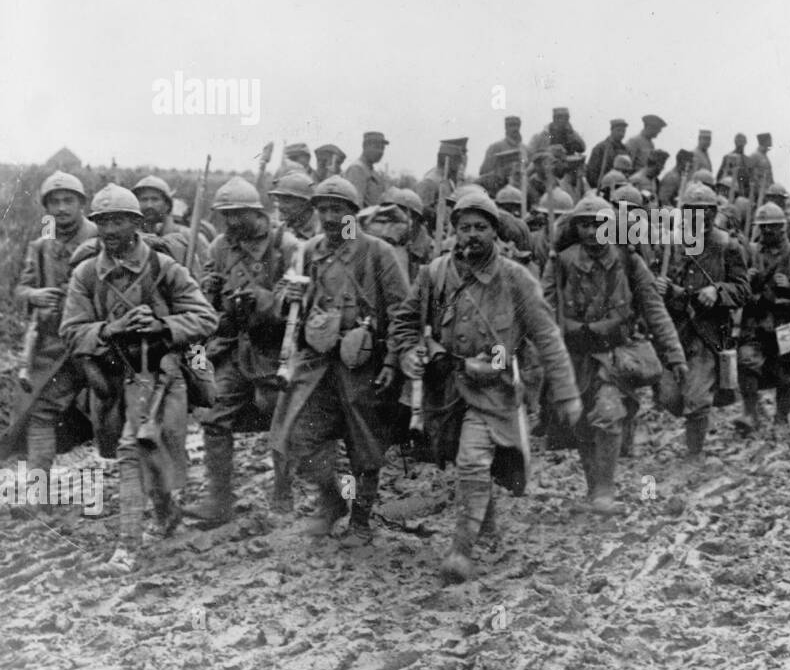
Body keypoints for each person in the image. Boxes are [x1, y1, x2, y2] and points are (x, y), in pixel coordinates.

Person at [389, 191, 581, 582]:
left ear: (496, 231)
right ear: (454, 231)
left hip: (493, 389)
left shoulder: (515, 279)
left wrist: (566, 392)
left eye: (480, 227)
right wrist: (409, 350)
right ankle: (486, 526)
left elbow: (547, 338)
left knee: (473, 459)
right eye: (464, 228)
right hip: (445, 390)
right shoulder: (435, 273)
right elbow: (405, 321)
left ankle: (461, 550)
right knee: (465, 460)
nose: (471, 235)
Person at [61, 184, 219, 572]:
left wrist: (162, 324)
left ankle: (126, 551)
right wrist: (110, 329)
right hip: (111, 379)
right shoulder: (86, 273)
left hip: (160, 376)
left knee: (135, 453)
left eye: (119, 221)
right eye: (103, 222)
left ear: (136, 223)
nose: (110, 229)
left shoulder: (164, 268)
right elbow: (70, 330)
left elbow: (205, 318)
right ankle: (166, 510)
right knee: (141, 455)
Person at [274, 177, 411, 547]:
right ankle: (332, 501)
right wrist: (288, 296)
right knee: (299, 437)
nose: (331, 217)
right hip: (317, 364)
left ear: (354, 214)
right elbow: (287, 310)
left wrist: (392, 361)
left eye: (339, 209)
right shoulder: (308, 251)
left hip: (362, 365)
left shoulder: (378, 253)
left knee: (363, 447)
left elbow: (403, 311)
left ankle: (361, 521)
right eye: (323, 209)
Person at [543, 195, 686, 511]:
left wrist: (674, 354)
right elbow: (543, 313)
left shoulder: (628, 260)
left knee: (608, 413)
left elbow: (654, 309)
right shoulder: (561, 262)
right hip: (576, 357)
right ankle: (594, 492)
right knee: (582, 425)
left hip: (616, 355)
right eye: (584, 224)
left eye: (600, 224)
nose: (592, 231)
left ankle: (605, 492)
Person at [189, 178, 301, 527]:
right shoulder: (220, 247)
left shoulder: (286, 245)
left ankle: (283, 494)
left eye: (239, 214)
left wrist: (262, 300)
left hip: (275, 348)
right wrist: (216, 298)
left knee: (278, 415)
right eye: (226, 215)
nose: (232, 222)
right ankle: (219, 499)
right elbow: (207, 300)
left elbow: (299, 302)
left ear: (257, 212)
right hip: (235, 346)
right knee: (214, 414)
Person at [1, 172, 98, 525]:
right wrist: (35, 295)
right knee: (39, 415)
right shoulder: (42, 244)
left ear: (82, 203)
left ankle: (102, 498)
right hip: (53, 345)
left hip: (95, 341)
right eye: (53, 202)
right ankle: (38, 497)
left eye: (67, 200)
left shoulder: (100, 237)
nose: (60, 208)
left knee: (104, 416)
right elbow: (22, 288)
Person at [653, 184, 751, 457]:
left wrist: (718, 291)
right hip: (677, 330)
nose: (697, 217)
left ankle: (694, 455)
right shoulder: (671, 243)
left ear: (713, 213)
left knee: (696, 400)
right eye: (691, 211)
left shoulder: (727, 245)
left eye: (704, 211)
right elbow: (654, 283)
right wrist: (659, 287)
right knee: (670, 398)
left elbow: (743, 289)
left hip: (708, 332)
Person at [736, 203, 790, 430]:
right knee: (745, 361)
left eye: (772, 227)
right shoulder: (751, 252)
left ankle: (782, 417)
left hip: (789, 322)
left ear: (783, 228)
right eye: (763, 228)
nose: (767, 233)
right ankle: (750, 414)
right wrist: (748, 279)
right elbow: (737, 285)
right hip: (758, 320)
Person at [132, 175, 209, 271]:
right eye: (143, 200)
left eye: (155, 199)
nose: (149, 205)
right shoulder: (130, 237)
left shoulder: (190, 237)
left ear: (167, 204)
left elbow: (206, 272)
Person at [478, 116, 527, 196]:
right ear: (506, 127)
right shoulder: (496, 147)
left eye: (517, 125)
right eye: (511, 125)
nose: (515, 128)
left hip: (521, 192)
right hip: (499, 192)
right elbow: (483, 172)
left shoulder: (525, 149)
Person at [343, 131, 390, 208]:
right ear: (365, 146)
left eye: (382, 148)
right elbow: (354, 205)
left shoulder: (374, 173)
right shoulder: (357, 169)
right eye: (377, 147)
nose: (380, 152)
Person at [269, 170, 318, 240]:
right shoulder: (282, 230)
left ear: (306, 203)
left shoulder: (323, 229)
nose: (280, 206)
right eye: (279, 200)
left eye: (286, 201)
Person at [586, 119, 630, 189]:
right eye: (618, 130)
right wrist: (599, 187)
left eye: (623, 131)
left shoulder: (625, 150)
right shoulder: (600, 148)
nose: (621, 134)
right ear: (612, 130)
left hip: (621, 189)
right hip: (604, 188)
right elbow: (592, 172)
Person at [718, 134, 752, 201]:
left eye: (742, 141)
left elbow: (749, 178)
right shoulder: (727, 157)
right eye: (738, 141)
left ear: (745, 143)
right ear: (735, 142)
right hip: (728, 189)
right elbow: (720, 175)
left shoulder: (748, 160)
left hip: (742, 191)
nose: (740, 144)